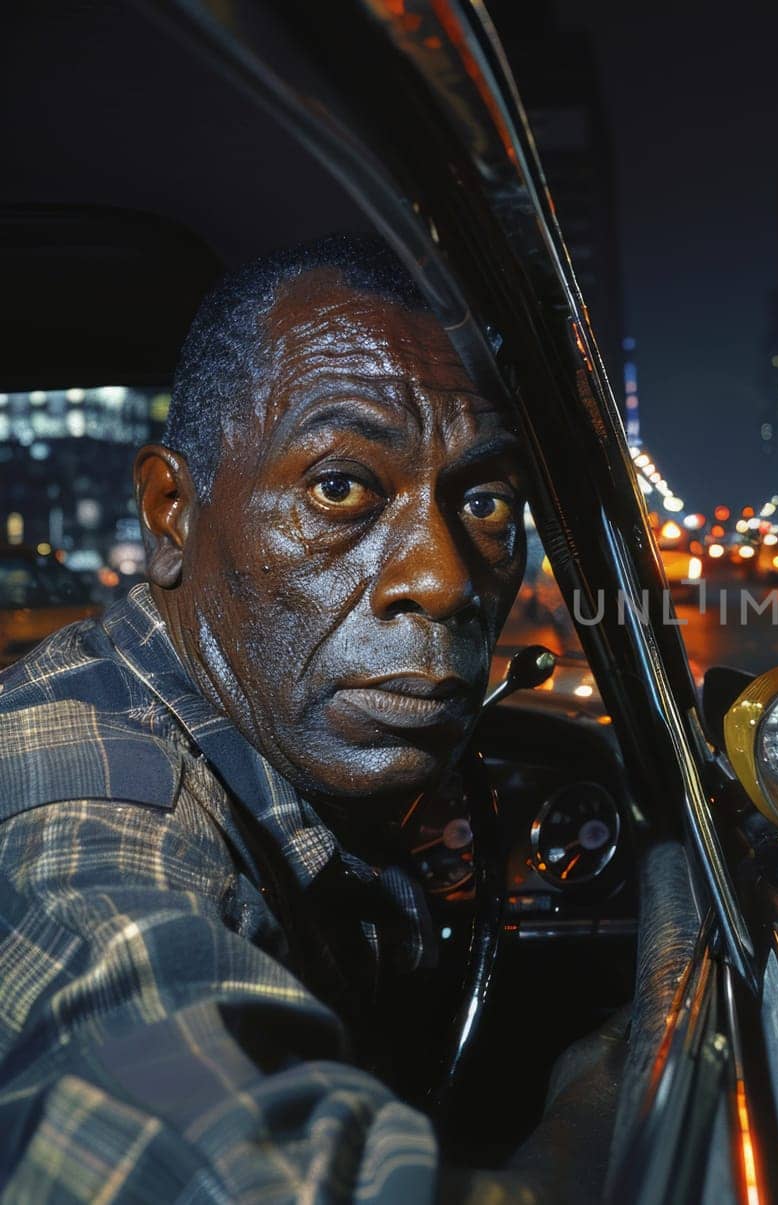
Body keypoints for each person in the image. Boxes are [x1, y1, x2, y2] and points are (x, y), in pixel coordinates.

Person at [0, 236, 537, 1200]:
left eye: (486, 501)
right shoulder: (85, 789)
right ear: (173, 513)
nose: (446, 578)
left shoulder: (251, 726)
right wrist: (588, 1116)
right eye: (342, 488)